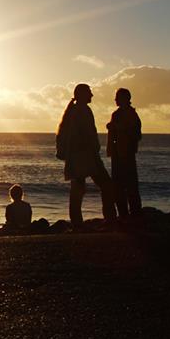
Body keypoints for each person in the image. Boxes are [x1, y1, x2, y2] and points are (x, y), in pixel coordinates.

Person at [56, 83, 116, 229]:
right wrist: (95, 149)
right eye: (89, 92)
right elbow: (88, 134)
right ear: (82, 94)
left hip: (79, 157)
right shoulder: (82, 110)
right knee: (105, 185)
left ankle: (78, 222)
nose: (92, 95)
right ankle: (109, 218)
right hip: (86, 156)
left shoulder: (74, 110)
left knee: (78, 188)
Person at [106, 88, 142, 218]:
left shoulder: (132, 115)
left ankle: (135, 215)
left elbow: (136, 134)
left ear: (125, 99)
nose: (115, 99)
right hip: (117, 154)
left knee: (130, 186)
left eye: (117, 97)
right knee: (118, 186)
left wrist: (118, 128)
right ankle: (123, 215)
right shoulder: (116, 114)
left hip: (127, 154)